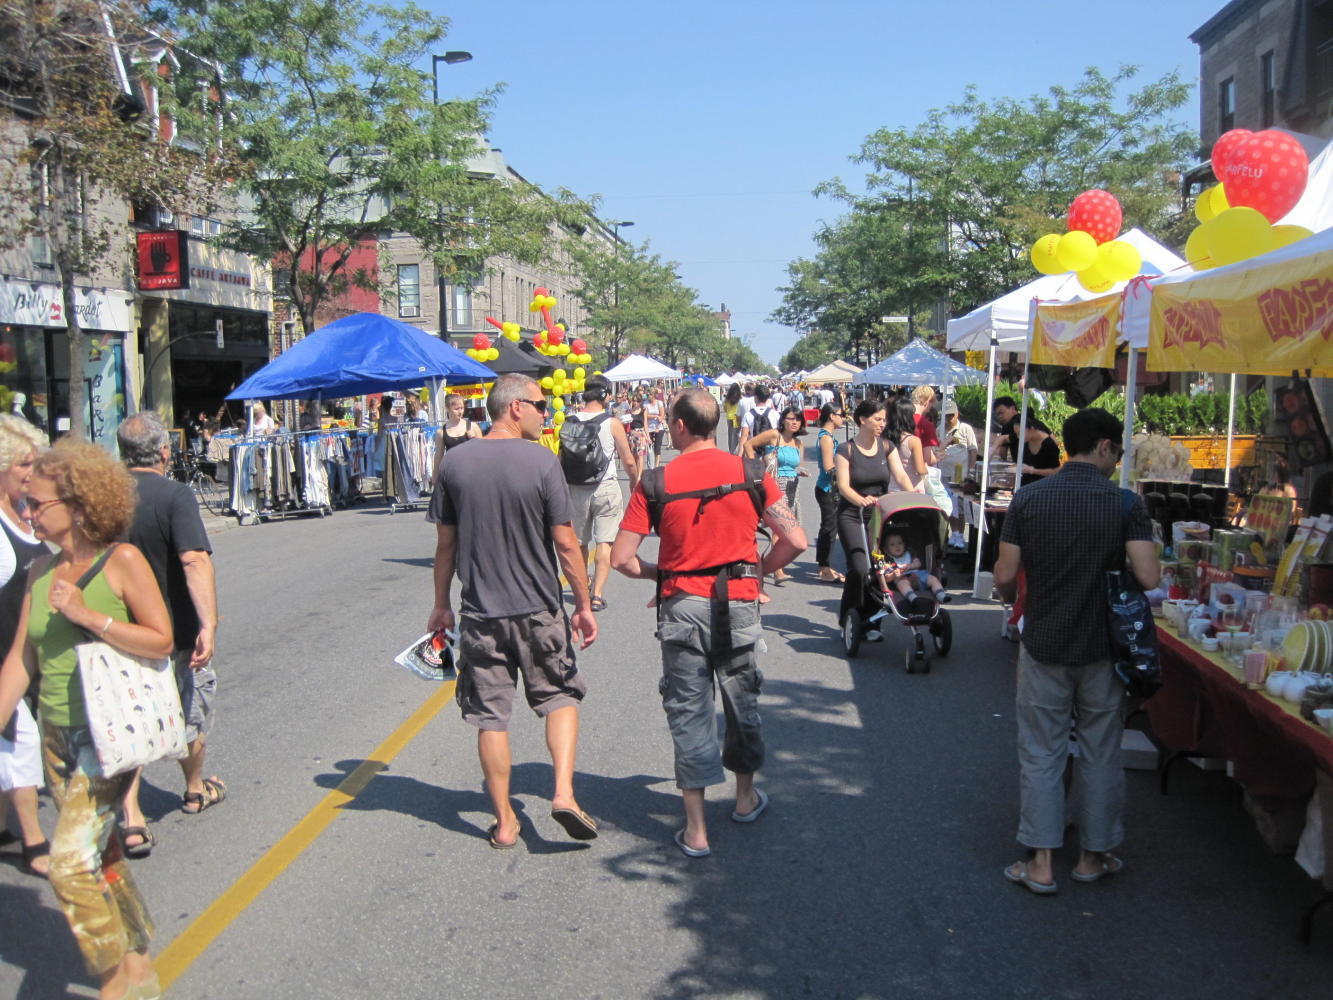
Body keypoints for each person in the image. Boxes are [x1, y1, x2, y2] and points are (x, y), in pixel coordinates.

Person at [0, 440, 174, 1000]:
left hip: (106, 737)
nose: (27, 514)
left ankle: (114, 984)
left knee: (70, 866)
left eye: (37, 505)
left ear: (76, 506)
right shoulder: (39, 570)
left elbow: (161, 639)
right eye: (25, 504)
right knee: (101, 854)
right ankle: (140, 960)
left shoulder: (121, 560)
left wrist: (86, 615)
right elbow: (20, 665)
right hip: (55, 737)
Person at [610, 388, 807, 858]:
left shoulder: (656, 481)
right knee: (742, 701)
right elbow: (795, 539)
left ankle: (696, 829)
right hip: (739, 601)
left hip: (681, 606)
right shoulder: (751, 472)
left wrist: (669, 575)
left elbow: (621, 559)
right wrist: (754, 570)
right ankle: (744, 799)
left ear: (678, 425)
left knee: (688, 709)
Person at [428, 374, 599, 850]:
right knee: (561, 695)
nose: (547, 414)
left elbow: (445, 544)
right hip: (539, 607)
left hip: (481, 611)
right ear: (515, 408)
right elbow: (566, 542)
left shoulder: (455, 463)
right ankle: (563, 792)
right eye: (541, 406)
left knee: (490, 717)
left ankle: (505, 822)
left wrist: (441, 604)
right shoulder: (542, 461)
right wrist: (583, 604)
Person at [993, 408, 1159, 895]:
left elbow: (1003, 577)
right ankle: (1093, 856)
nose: (1119, 459)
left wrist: (1013, 602)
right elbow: (1149, 577)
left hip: (1044, 641)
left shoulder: (1028, 499)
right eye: (1119, 450)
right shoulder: (1126, 504)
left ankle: (1040, 863)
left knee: (1042, 752)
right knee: (1100, 752)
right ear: (1104, 447)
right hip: (1103, 647)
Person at [115, 412, 223, 861]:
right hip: (173, 626)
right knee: (190, 701)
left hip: (120, 627)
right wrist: (208, 625)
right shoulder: (175, 494)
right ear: (164, 451)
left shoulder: (107, 497)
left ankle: (132, 819)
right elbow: (194, 559)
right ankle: (195, 789)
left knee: (126, 718)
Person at [0, 416, 51, 877]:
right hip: (8, 658)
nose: (30, 470)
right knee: (20, 745)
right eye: (22, 464)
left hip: (38, 658)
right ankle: (34, 841)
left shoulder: (26, 512)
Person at [835, 400, 915, 643]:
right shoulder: (845, 449)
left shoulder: (887, 446)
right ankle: (848, 618)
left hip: (879, 515)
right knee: (860, 569)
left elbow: (900, 475)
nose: (883, 424)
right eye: (878, 419)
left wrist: (912, 496)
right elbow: (843, 486)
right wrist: (860, 500)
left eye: (884, 419)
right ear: (862, 420)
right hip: (852, 513)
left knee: (880, 569)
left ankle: (872, 620)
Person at [563, 375, 639, 612]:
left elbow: (560, 457)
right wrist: (635, 481)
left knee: (579, 543)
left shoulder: (569, 420)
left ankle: (582, 587)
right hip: (605, 486)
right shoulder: (611, 422)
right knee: (604, 541)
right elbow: (627, 458)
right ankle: (596, 595)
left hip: (575, 487)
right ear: (605, 395)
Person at [744, 407, 807, 585]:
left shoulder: (798, 443)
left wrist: (800, 472)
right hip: (774, 484)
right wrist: (755, 466)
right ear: (783, 420)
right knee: (780, 528)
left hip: (793, 486)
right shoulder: (774, 435)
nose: (794, 422)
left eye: (798, 419)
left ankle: (767, 566)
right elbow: (748, 444)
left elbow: (795, 466)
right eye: (790, 418)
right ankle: (777, 569)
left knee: (789, 527)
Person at [938, 399, 978, 549]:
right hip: (945, 474)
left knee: (960, 507)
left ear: (957, 414)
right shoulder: (940, 429)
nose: (948, 419)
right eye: (946, 416)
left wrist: (972, 470)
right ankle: (952, 533)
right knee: (948, 506)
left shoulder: (966, 429)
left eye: (951, 416)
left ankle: (959, 535)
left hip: (960, 474)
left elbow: (972, 449)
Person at [813, 404, 846, 584]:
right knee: (829, 527)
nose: (843, 418)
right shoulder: (825, 437)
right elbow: (828, 467)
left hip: (828, 488)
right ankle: (824, 568)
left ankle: (825, 565)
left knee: (830, 527)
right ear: (832, 416)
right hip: (826, 488)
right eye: (841, 415)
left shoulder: (829, 437)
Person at [880, 529, 949, 605]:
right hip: (903, 578)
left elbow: (918, 563)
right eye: (892, 545)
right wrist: (893, 575)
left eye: (900, 543)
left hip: (919, 576)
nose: (897, 546)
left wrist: (910, 566)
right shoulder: (888, 560)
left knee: (933, 579)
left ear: (904, 544)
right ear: (886, 550)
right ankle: (913, 598)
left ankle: (941, 595)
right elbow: (886, 578)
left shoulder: (909, 553)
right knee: (902, 584)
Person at [431, 393, 483, 485]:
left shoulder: (472, 426)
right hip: (452, 474)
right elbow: (438, 456)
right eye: (456, 409)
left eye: (462, 408)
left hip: (472, 472)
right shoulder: (441, 432)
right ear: (447, 409)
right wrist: (435, 476)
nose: (460, 412)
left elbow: (483, 450)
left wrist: (474, 439)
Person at [884, 397, 928, 493]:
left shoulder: (884, 438)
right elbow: (920, 469)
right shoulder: (913, 440)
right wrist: (927, 468)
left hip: (891, 488)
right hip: (912, 488)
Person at [1018, 417, 1061, 487]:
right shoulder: (1026, 441)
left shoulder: (1049, 445)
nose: (1019, 437)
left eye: (1020, 433)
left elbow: (1055, 472)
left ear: (1031, 429)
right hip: (1025, 487)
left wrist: (1032, 470)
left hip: (1043, 488)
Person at [911, 385, 940, 466]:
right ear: (927, 402)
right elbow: (929, 459)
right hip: (917, 470)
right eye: (931, 404)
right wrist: (938, 457)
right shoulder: (926, 424)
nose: (931, 407)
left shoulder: (901, 418)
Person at [991, 396, 1020, 461]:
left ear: (1012, 408)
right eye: (998, 414)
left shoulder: (1008, 425)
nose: (1000, 417)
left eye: (1001, 413)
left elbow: (1003, 454)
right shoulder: (1029, 420)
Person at [644, 388, 667, 465]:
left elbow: (662, 415)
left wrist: (659, 419)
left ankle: (656, 466)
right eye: (647, 395)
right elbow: (645, 416)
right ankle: (651, 464)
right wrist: (654, 416)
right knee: (649, 447)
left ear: (653, 395)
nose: (648, 396)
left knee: (657, 447)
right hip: (649, 428)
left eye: (649, 394)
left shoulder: (659, 403)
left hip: (658, 427)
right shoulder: (645, 403)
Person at [723, 383, 743, 454]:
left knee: (730, 434)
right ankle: (733, 450)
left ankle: (731, 449)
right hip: (736, 417)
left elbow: (724, 408)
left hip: (729, 417)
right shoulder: (740, 398)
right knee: (736, 435)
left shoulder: (727, 398)